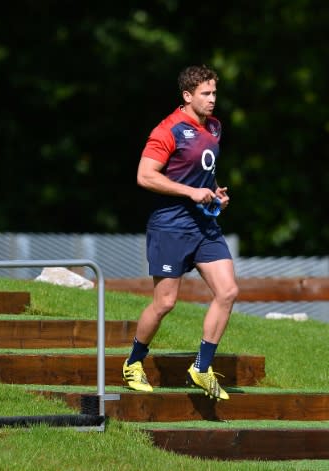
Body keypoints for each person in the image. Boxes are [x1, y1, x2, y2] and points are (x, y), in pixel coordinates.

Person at [122, 65, 238, 401]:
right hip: (170, 227)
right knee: (165, 303)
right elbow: (145, 176)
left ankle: (201, 368)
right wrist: (189, 193)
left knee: (228, 291)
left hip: (204, 226)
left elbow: (201, 173)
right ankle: (133, 363)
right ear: (187, 96)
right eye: (205, 93)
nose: (212, 99)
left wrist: (215, 192)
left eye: (214, 92)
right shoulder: (168, 129)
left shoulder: (214, 127)